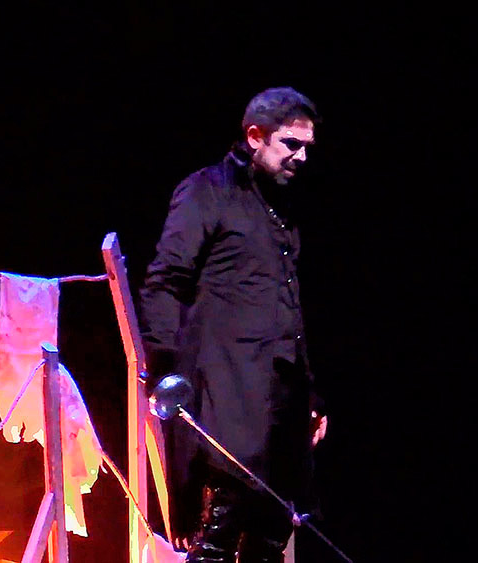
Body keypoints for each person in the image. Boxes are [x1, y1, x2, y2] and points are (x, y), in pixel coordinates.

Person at [139, 87, 328, 562]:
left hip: (279, 397)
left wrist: (309, 395)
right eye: (290, 144)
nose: (301, 157)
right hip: (228, 391)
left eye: (307, 147)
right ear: (255, 136)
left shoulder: (282, 206)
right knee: (222, 526)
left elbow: (288, 307)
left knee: (272, 531)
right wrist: (164, 371)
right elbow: (165, 281)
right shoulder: (208, 190)